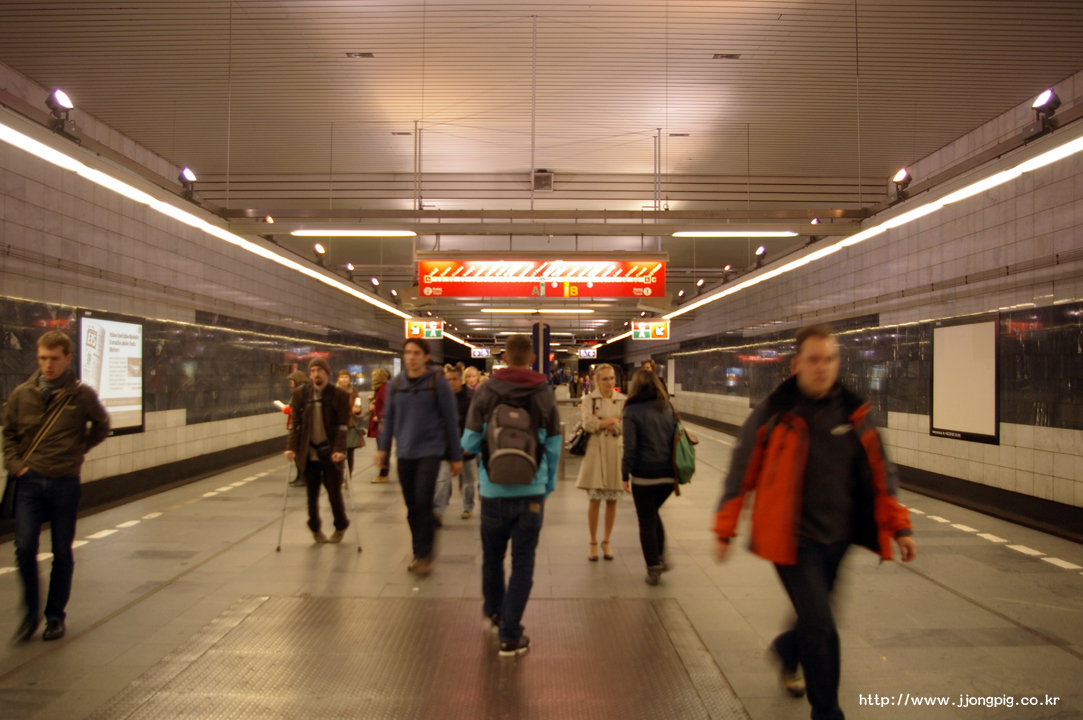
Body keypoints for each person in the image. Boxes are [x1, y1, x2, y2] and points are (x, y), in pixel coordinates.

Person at [714, 325, 916, 720]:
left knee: (814, 617)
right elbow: (741, 470)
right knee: (822, 626)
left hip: (839, 537)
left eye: (830, 359)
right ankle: (827, 712)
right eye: (814, 359)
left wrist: (900, 526)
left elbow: (881, 472)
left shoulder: (854, 411)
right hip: (793, 539)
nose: (822, 367)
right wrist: (725, 529)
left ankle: (788, 650)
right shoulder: (774, 411)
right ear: (796, 365)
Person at [3, 331, 110, 642]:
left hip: (65, 481)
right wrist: (16, 465)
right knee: (24, 548)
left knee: (62, 551)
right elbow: (8, 434)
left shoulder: (82, 395)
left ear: (67, 358)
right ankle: (30, 613)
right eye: (42, 358)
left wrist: (78, 451)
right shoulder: (22, 394)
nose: (47, 365)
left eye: (54, 358)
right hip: (29, 481)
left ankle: (54, 616)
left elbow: (102, 425)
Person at [462, 334, 562, 658]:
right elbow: (554, 446)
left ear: (504, 357)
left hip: (493, 490)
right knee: (523, 562)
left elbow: (469, 443)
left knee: (492, 557)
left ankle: (494, 612)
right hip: (531, 491)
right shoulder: (544, 392)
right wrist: (547, 487)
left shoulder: (487, 390)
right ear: (532, 358)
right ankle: (510, 634)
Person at [375, 339, 463, 574]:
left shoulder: (437, 383)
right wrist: (383, 448)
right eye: (407, 353)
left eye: (416, 353)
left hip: (430, 451)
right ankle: (418, 552)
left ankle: (425, 553)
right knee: (412, 507)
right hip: (405, 452)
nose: (411, 357)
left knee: (423, 501)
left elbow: (451, 421)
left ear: (426, 357)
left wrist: (456, 456)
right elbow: (389, 418)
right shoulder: (396, 384)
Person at [285, 357, 352, 544]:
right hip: (310, 452)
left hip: (331, 452)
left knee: (334, 492)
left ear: (326, 372)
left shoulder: (339, 395)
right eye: (313, 371)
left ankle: (341, 525)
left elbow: (342, 426)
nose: (316, 374)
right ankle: (315, 528)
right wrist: (292, 448)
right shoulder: (300, 395)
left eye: (319, 370)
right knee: (312, 494)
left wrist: (339, 449)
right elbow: (296, 424)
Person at [621, 368, 677, 585]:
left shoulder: (631, 410)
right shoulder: (667, 407)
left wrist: (624, 473)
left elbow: (630, 446)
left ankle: (653, 568)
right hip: (668, 476)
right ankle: (661, 556)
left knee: (646, 520)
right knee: (652, 514)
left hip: (645, 476)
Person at [574, 363, 624, 562]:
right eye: (605, 379)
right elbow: (588, 424)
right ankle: (593, 542)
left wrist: (603, 422)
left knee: (612, 500)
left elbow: (625, 426)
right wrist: (612, 421)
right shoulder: (589, 400)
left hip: (615, 453)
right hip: (595, 453)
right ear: (597, 380)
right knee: (594, 499)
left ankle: (607, 541)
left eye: (612, 378)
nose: (609, 382)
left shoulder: (623, 400)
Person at [433, 365, 480, 522]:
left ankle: (467, 507)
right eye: (448, 379)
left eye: (454, 379)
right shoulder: (440, 398)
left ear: (461, 380)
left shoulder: (470, 399)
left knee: (468, 481)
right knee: (442, 480)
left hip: (466, 447)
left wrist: (470, 444)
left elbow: (474, 424)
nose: (451, 382)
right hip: (445, 447)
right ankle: (438, 511)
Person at [336, 369, 365, 480]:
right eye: (342, 377)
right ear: (338, 379)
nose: (344, 379)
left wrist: (357, 410)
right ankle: (340, 474)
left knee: (350, 451)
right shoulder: (334, 391)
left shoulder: (354, 391)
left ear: (349, 379)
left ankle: (349, 476)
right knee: (339, 450)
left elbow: (358, 406)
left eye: (346, 377)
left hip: (350, 425)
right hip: (338, 425)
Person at [281, 370, 309, 487]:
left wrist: (285, 409)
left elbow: (296, 410)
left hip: (299, 427)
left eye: (292, 381)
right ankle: (300, 476)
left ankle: (302, 477)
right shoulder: (302, 390)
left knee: (299, 454)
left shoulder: (301, 391)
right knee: (298, 454)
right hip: (299, 426)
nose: (290, 384)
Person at [366, 368, 391, 483]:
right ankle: (383, 472)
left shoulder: (382, 390)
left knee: (383, 448)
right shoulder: (382, 389)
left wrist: (379, 416)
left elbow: (388, 405)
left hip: (382, 425)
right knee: (383, 448)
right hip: (382, 424)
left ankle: (383, 474)